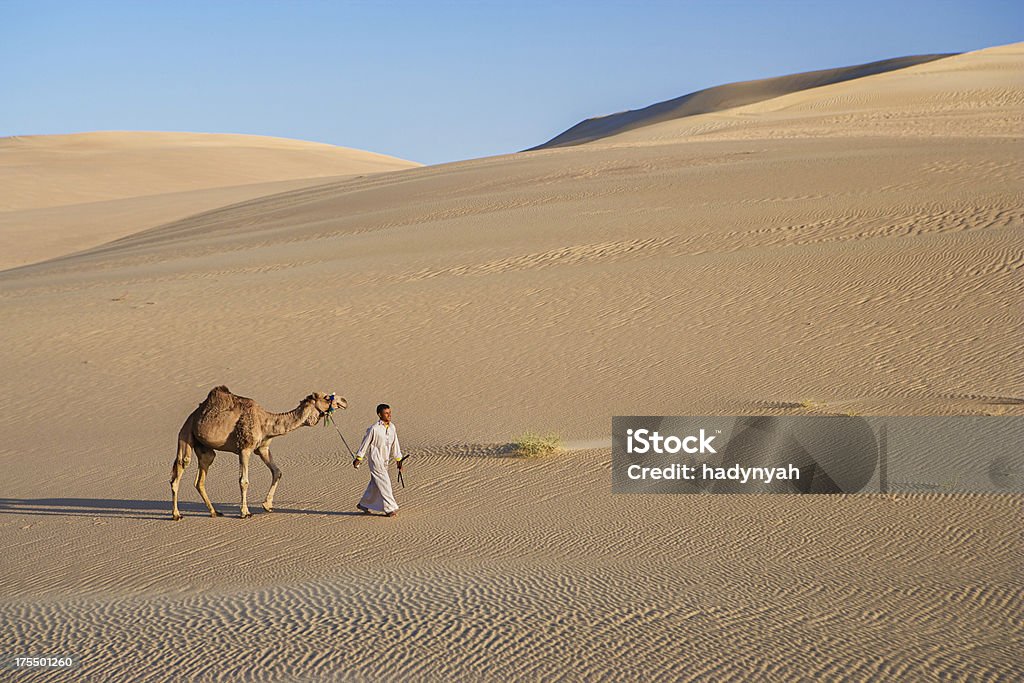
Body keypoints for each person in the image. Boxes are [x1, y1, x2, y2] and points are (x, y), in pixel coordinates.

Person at [352, 403, 404, 517]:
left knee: (376, 484)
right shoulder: (374, 429)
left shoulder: (392, 427)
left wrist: (399, 460)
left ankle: (364, 504)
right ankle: (390, 508)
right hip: (376, 461)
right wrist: (358, 458)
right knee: (385, 483)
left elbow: (396, 444)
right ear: (379, 415)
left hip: (385, 460)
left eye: (390, 412)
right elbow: (365, 444)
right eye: (386, 413)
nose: (389, 415)